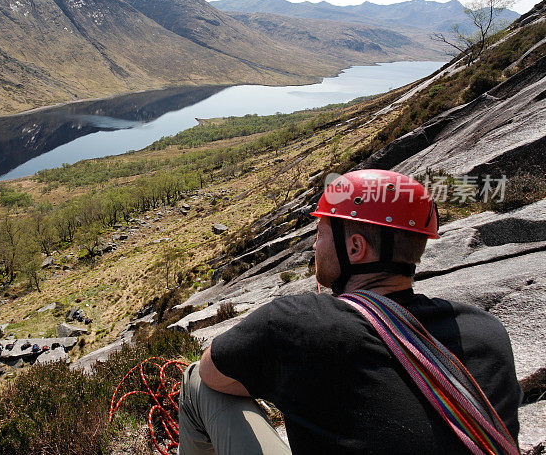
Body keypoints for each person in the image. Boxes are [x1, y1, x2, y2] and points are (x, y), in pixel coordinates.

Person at [178, 169, 521, 454]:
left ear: (355, 247)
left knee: (197, 383)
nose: (314, 245)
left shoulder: (295, 323)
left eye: (321, 233)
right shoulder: (487, 332)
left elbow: (213, 373)